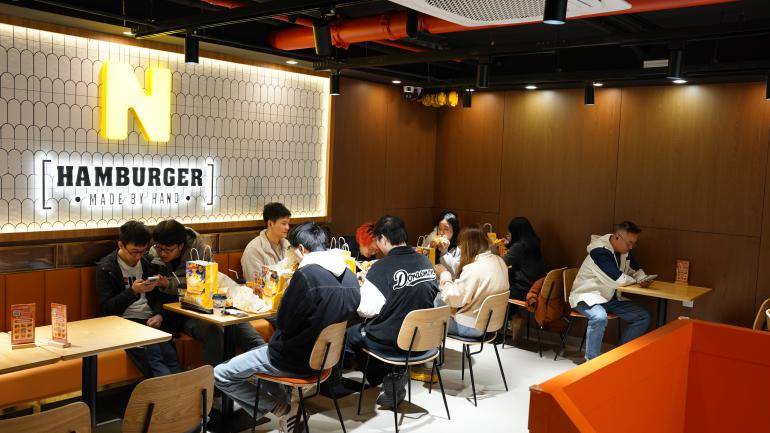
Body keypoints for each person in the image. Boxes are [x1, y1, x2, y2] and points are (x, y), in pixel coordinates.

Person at [214, 222, 360, 430]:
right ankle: (291, 413)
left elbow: (284, 322)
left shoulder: (306, 275)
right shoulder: (350, 275)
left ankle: (284, 410)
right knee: (258, 353)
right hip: (326, 361)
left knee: (221, 374)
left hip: (293, 360)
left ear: (301, 249)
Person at [347, 215, 439, 408]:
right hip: (423, 340)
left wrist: (365, 286)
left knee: (349, 334)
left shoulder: (381, 268)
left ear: (382, 238)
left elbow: (365, 310)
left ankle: (386, 375)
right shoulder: (425, 261)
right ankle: (393, 375)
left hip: (393, 342)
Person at [149, 219, 265, 366]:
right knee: (213, 331)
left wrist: (169, 283)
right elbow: (156, 296)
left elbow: (203, 282)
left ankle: (269, 370)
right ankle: (214, 379)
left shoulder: (201, 250)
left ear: (181, 245)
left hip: (212, 304)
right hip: (181, 314)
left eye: (168, 250)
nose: (162, 253)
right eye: (159, 248)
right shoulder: (152, 255)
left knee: (245, 331)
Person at [96, 220, 180, 377]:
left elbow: (161, 298)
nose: (138, 257)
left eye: (142, 251)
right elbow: (107, 309)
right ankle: (170, 392)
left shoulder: (148, 263)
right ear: (121, 245)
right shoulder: (106, 268)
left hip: (150, 320)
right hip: (124, 323)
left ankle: (183, 391)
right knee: (154, 357)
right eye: (134, 252)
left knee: (170, 354)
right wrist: (133, 292)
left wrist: (159, 314)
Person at [570, 221, 653, 362]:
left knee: (643, 316)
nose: (631, 247)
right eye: (629, 243)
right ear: (617, 237)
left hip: (609, 298)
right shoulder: (599, 252)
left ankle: (619, 357)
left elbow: (635, 269)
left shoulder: (623, 251)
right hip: (587, 297)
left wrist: (642, 278)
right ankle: (592, 362)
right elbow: (618, 280)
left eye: (634, 244)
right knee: (599, 317)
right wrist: (636, 281)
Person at [435, 225, 509, 337]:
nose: (460, 247)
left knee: (433, 305)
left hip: (471, 327)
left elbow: (453, 299)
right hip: (492, 324)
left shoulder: (473, 268)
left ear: (467, 245)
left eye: (461, 244)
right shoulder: (500, 261)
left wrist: (444, 275)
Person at [241, 202, 292, 282]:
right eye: (284, 223)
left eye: (288, 224)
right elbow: (255, 283)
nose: (287, 227)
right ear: (270, 224)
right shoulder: (253, 250)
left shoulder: (287, 244)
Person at [504, 217, 547, 300]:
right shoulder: (534, 241)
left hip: (522, 288)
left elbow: (502, 262)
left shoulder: (519, 246)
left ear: (515, 232)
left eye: (510, 231)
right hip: (536, 285)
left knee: (496, 290)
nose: (509, 233)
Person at [422, 210, 461, 277]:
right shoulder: (432, 244)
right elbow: (423, 267)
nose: (441, 233)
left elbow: (456, 273)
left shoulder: (459, 250)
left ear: (454, 231)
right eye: (439, 229)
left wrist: (444, 252)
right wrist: (430, 251)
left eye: (446, 229)